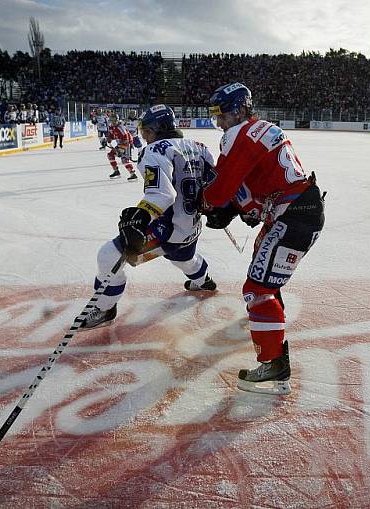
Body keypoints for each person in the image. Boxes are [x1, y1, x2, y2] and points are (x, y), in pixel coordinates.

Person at [202, 82, 325, 396]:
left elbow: (219, 191)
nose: (218, 121)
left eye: (222, 113)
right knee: (266, 283)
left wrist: (208, 204)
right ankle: (272, 338)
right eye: (214, 114)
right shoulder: (261, 129)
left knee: (257, 290)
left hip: (293, 215)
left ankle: (274, 365)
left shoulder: (240, 136)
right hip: (297, 209)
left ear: (241, 108)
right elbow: (254, 196)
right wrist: (239, 207)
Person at [81, 104, 218, 330]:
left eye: (147, 131)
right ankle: (203, 281)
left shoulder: (155, 150)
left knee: (108, 256)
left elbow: (162, 194)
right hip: (192, 226)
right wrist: (218, 210)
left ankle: (105, 308)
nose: (144, 136)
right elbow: (214, 185)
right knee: (182, 259)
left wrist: (141, 215)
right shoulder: (199, 147)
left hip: (168, 228)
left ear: (159, 128)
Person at [106, 114, 136, 180]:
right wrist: (108, 139)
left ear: (117, 120)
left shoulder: (120, 127)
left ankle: (133, 174)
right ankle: (116, 171)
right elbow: (112, 135)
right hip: (120, 144)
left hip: (126, 144)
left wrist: (121, 149)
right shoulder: (112, 127)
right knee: (110, 155)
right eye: (111, 121)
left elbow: (126, 139)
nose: (113, 122)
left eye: (114, 121)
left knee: (124, 160)